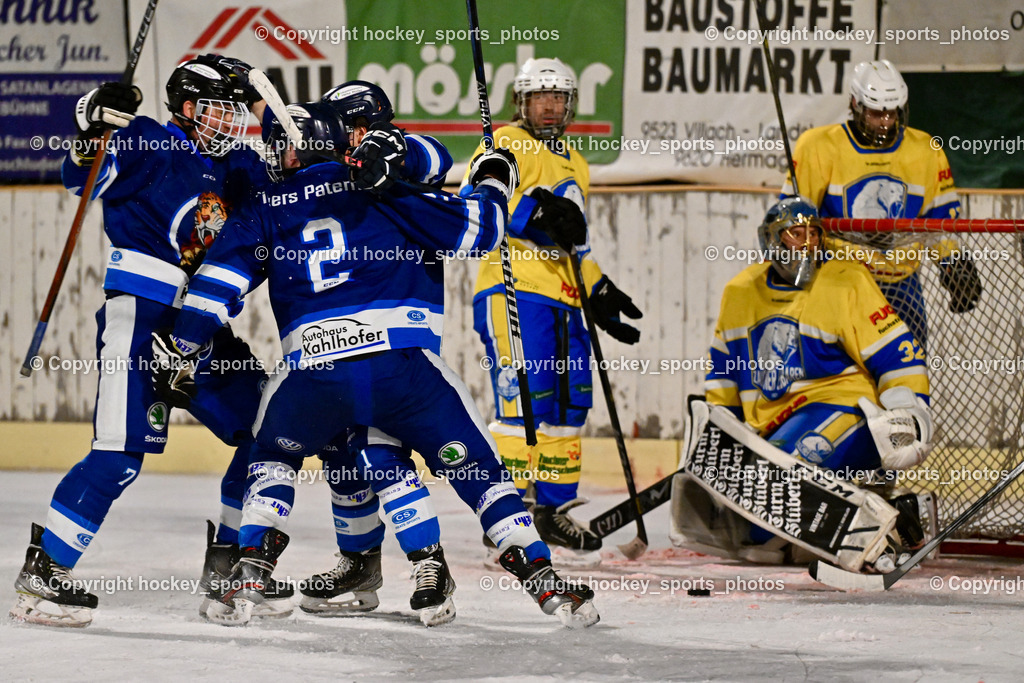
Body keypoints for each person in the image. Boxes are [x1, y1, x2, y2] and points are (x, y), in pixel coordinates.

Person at [151, 98, 600, 628]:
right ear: (349, 137)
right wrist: (493, 174)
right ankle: (535, 573)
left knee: (272, 451)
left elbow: (214, 288)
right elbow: (481, 229)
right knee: (473, 467)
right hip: (402, 371)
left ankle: (252, 565)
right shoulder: (382, 188)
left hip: (312, 375)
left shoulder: (268, 205)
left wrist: (181, 346)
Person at [9, 55, 296, 628]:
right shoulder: (148, 140)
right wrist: (93, 123)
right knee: (120, 454)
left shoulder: (235, 167)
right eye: (218, 106)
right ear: (188, 108)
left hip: (202, 330)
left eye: (232, 107)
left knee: (270, 428)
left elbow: (290, 165)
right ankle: (45, 574)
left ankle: (230, 567)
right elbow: (80, 174)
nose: (228, 117)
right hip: (141, 317)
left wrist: (260, 100)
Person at [465, 58, 642, 561]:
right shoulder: (505, 141)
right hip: (515, 289)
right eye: (539, 96)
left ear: (571, 104)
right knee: (524, 400)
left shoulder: (576, 162)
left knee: (567, 408)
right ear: (520, 101)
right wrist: (534, 214)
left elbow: (575, 249)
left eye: (558, 96)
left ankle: (552, 510)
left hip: (566, 299)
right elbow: (475, 199)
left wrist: (599, 290)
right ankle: (506, 512)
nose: (549, 104)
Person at [702, 196, 934, 564]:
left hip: (846, 410)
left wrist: (911, 410)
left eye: (814, 233)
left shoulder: (845, 279)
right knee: (747, 516)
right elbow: (722, 374)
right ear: (771, 239)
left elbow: (898, 353)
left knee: (776, 486)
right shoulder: (740, 292)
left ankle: (884, 531)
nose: (808, 243)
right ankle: (871, 518)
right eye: (797, 233)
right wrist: (720, 429)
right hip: (774, 427)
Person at [782, 59, 981, 348]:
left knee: (909, 375)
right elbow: (791, 218)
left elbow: (940, 219)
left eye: (892, 113)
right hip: (838, 280)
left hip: (901, 285)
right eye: (876, 113)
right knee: (841, 378)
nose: (886, 122)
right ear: (855, 104)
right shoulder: (818, 146)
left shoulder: (925, 150)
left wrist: (952, 264)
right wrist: (794, 267)